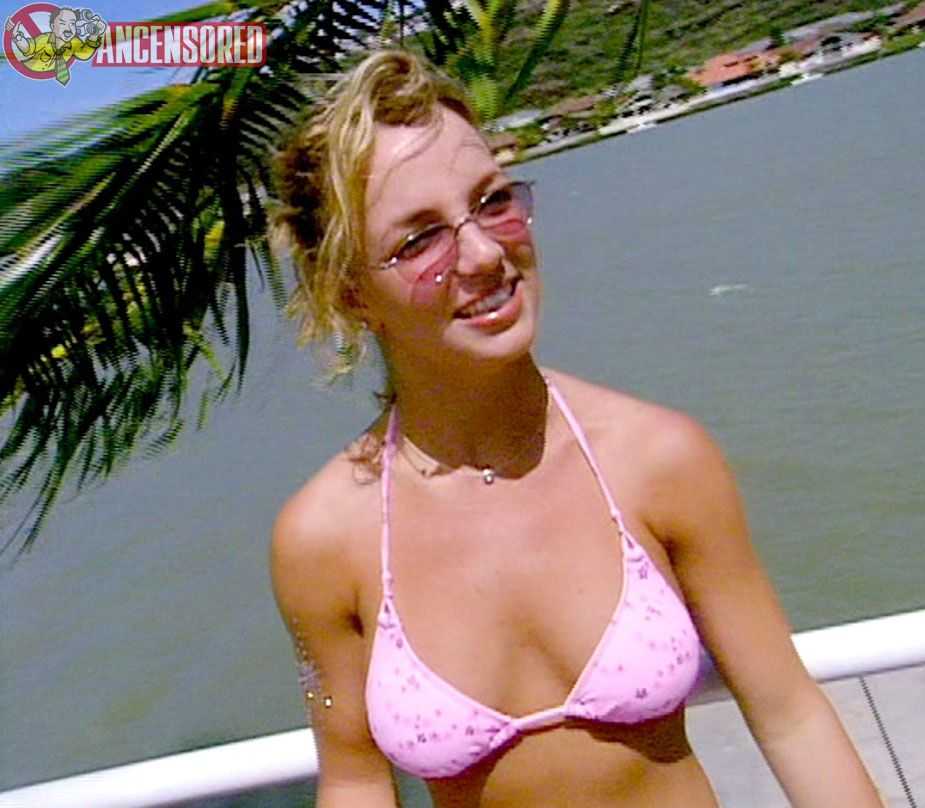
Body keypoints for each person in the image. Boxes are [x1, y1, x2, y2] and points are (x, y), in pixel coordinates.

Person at [268, 49, 883, 808]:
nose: (485, 253)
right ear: (352, 294)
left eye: (493, 200)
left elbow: (790, 715)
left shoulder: (658, 460)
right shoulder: (322, 542)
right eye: (419, 239)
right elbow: (355, 779)